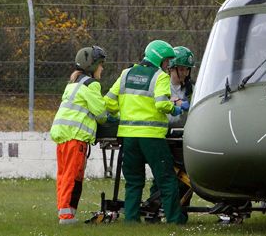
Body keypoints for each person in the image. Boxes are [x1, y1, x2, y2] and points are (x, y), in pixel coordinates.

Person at [104, 40, 188, 224]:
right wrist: (176, 109)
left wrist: (123, 113)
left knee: (133, 181)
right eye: (166, 61)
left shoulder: (126, 74)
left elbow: (109, 102)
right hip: (152, 138)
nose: (168, 65)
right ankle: (175, 220)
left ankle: (131, 220)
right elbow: (161, 104)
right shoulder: (160, 77)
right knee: (167, 180)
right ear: (158, 59)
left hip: (129, 137)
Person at [50, 45, 110, 225]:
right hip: (76, 138)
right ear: (91, 66)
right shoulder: (92, 85)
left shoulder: (73, 84)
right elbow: (101, 114)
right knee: (73, 176)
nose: (102, 68)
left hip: (63, 136)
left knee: (64, 175)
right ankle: (67, 217)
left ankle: (64, 213)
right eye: (100, 64)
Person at [168, 46, 196, 129]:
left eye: (187, 70)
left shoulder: (192, 89)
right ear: (171, 69)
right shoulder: (161, 86)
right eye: (181, 69)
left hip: (186, 132)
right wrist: (173, 101)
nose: (185, 73)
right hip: (164, 132)